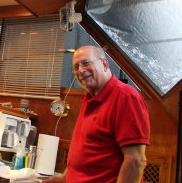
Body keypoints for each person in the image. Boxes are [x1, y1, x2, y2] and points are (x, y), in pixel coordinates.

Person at [43, 45, 150, 183]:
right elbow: (85, 153)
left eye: (86, 63)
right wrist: (63, 179)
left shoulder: (126, 97)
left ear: (104, 64)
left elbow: (136, 161)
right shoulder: (89, 99)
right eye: (76, 67)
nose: (80, 70)